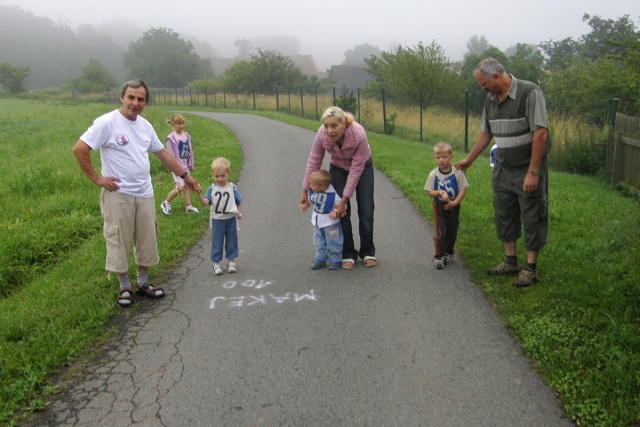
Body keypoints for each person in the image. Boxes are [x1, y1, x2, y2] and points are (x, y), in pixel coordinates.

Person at [72, 79, 200, 307]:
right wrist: (97, 178)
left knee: (146, 238)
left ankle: (142, 283)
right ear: (122, 98)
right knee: (118, 239)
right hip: (118, 194)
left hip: (144, 193)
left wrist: (185, 176)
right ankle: (124, 287)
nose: (135, 103)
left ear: (145, 102)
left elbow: (163, 154)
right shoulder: (107, 123)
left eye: (140, 99)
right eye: (131, 97)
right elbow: (80, 149)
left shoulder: (145, 126)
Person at [455, 58, 551, 288]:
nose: (482, 88)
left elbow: (540, 133)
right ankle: (510, 261)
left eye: (484, 83)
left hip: (527, 167)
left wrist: (533, 172)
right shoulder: (491, 99)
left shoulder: (529, 92)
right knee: (504, 213)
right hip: (502, 167)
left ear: (496, 76)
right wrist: (469, 159)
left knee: (532, 215)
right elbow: (486, 134)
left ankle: (530, 269)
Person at [300, 106, 376, 270]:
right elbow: (314, 159)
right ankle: (348, 253)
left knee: (366, 210)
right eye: (326, 126)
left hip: (362, 167)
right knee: (340, 212)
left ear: (344, 124)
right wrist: (305, 190)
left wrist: (344, 199)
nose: (329, 130)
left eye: (334, 126)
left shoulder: (358, 134)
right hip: (338, 167)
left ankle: (367, 251)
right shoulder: (322, 134)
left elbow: (356, 170)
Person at [424, 141, 469, 269]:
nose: (441, 160)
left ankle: (449, 252)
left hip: (454, 206)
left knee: (452, 230)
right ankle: (439, 255)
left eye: (444, 157)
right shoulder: (433, 175)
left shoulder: (457, 173)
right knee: (440, 231)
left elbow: (462, 189)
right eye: (438, 157)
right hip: (439, 206)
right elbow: (430, 192)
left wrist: (455, 202)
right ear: (434, 158)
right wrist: (439, 192)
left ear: (451, 157)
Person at [197, 157, 242, 275]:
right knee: (217, 242)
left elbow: (237, 202)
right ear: (212, 175)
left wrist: (238, 212)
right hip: (217, 220)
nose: (220, 179)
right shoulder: (212, 189)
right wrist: (198, 194)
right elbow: (205, 202)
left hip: (230, 219)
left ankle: (231, 261)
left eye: (223, 176)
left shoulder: (232, 188)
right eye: (217, 176)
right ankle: (216, 263)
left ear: (228, 174)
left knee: (231, 241)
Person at [299, 169, 344, 271]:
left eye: (313, 185)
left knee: (333, 241)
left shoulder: (332, 195)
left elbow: (342, 206)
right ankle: (320, 258)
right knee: (318, 240)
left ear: (323, 187)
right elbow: (311, 201)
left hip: (330, 224)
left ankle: (335, 259)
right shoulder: (314, 192)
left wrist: (336, 212)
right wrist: (305, 204)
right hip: (317, 223)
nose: (310, 186)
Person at [160, 113, 200, 214]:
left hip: (185, 166)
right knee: (180, 187)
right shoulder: (171, 138)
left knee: (186, 187)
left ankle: (188, 207)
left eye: (182, 123)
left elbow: (189, 151)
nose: (181, 126)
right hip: (177, 167)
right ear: (173, 124)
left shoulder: (186, 136)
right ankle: (166, 202)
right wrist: (174, 168)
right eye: (178, 124)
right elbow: (170, 155)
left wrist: (191, 165)